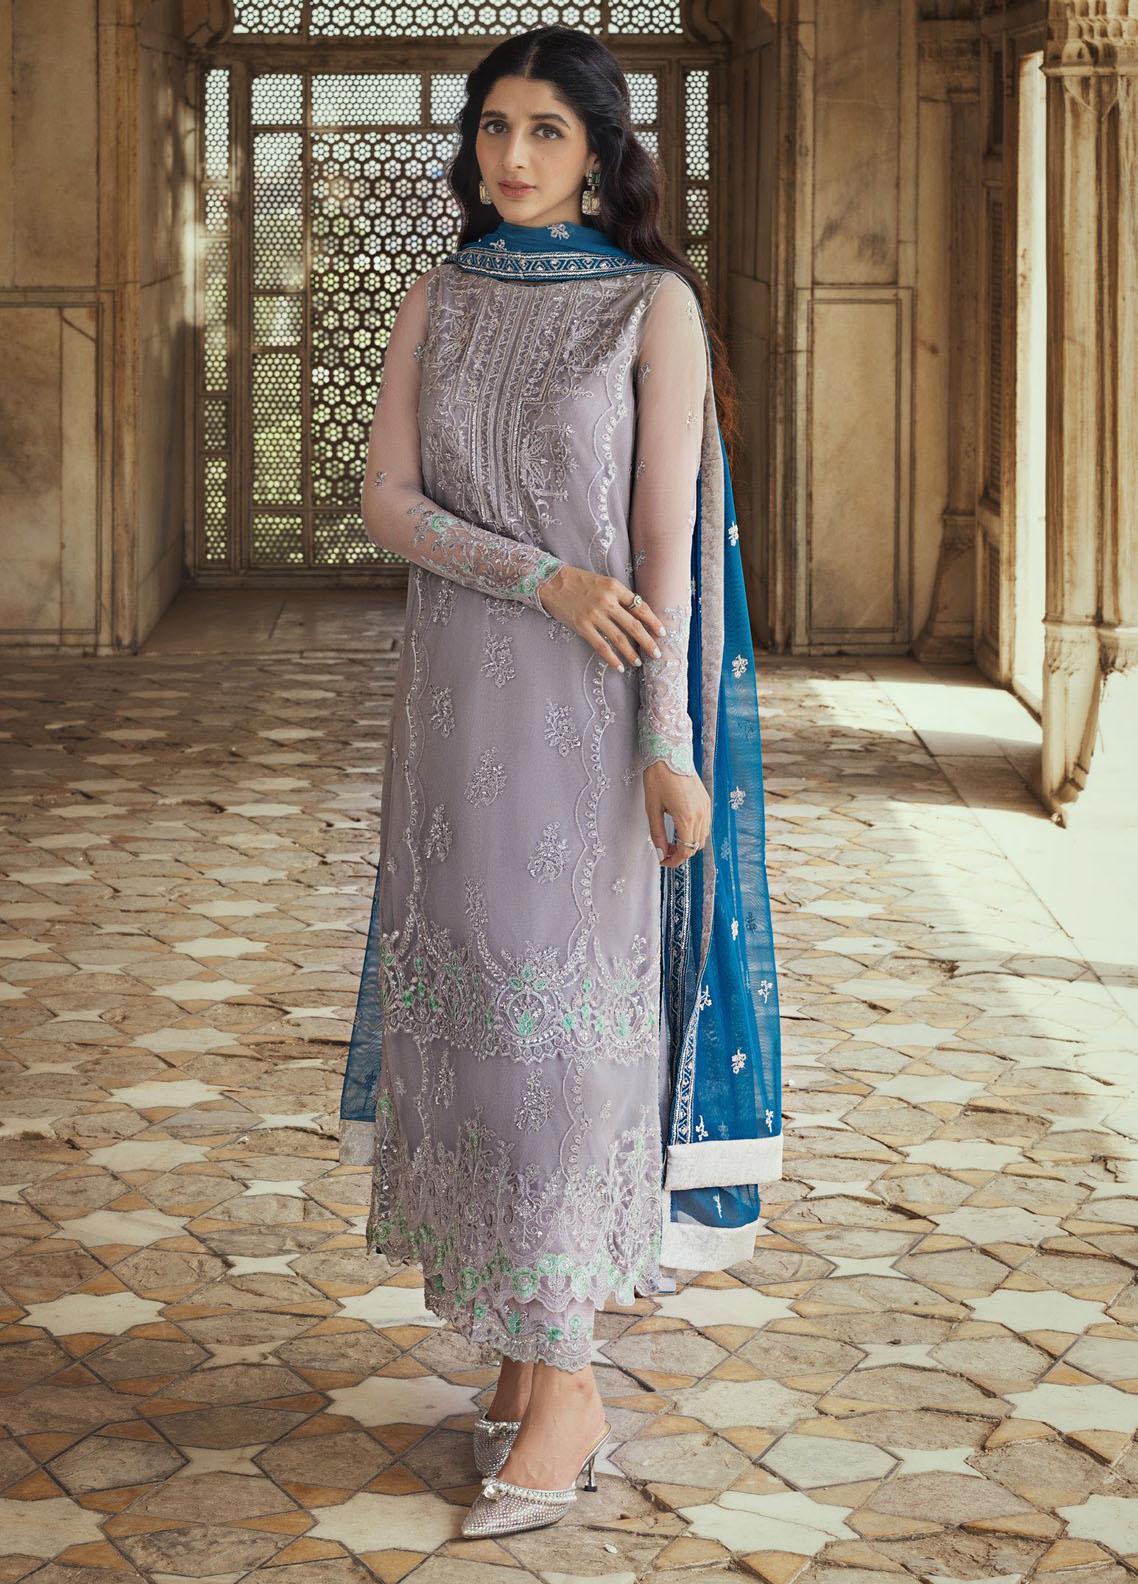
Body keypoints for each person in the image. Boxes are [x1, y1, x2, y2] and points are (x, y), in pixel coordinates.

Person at [338, 23, 782, 1539]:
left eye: (544, 132)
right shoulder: (442, 294)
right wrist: (540, 578)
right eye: (494, 128)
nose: (512, 157)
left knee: (564, 1050)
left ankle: (574, 1381)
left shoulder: (650, 307)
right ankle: (523, 1363)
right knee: (471, 1031)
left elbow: (665, 553)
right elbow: (388, 504)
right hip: (455, 715)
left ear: (598, 154)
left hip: (590, 728)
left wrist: (671, 745)